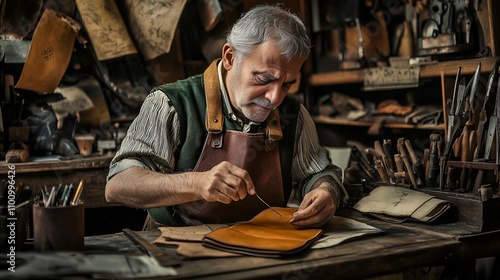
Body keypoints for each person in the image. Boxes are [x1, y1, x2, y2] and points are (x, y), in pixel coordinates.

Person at [105, 4, 348, 228]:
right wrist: (195, 183)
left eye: (287, 85)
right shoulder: (171, 102)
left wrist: (327, 191)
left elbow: (319, 172)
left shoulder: (293, 114)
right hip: (177, 249)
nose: (275, 98)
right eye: (264, 79)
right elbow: (118, 185)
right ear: (230, 57)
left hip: (264, 246)